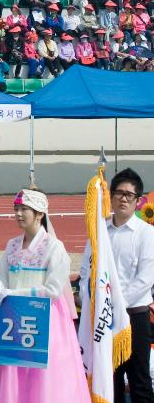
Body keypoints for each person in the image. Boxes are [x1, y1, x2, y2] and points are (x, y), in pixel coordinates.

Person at [0, 189, 89, 402]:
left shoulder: (55, 248)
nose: (19, 214)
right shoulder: (12, 245)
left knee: (43, 378)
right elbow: (2, 275)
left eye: (25, 209)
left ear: (40, 214)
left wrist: (12, 293)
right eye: (16, 209)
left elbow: (53, 290)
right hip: (12, 320)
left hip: (46, 321)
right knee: (13, 369)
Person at [80, 167, 154, 403]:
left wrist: (115, 306)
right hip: (102, 319)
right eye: (119, 193)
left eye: (129, 195)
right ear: (110, 196)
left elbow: (145, 280)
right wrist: (90, 300)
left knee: (139, 380)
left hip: (134, 318)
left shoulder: (146, 234)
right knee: (108, 381)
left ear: (138, 200)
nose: (123, 198)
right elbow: (85, 272)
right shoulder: (99, 230)